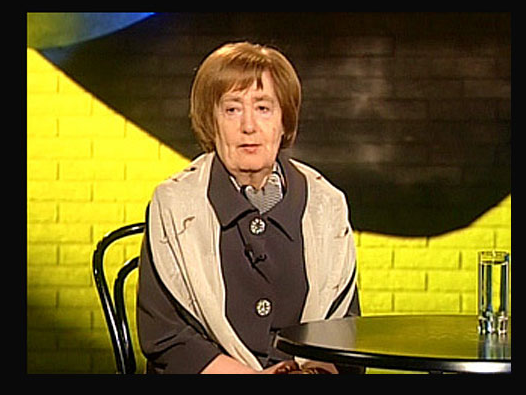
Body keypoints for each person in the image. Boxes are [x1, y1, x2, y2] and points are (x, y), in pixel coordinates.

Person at [137, 41, 362, 374]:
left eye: (263, 108)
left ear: (284, 121)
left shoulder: (325, 204)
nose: (248, 126)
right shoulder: (175, 205)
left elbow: (344, 331)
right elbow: (166, 337)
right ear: (211, 121)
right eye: (232, 109)